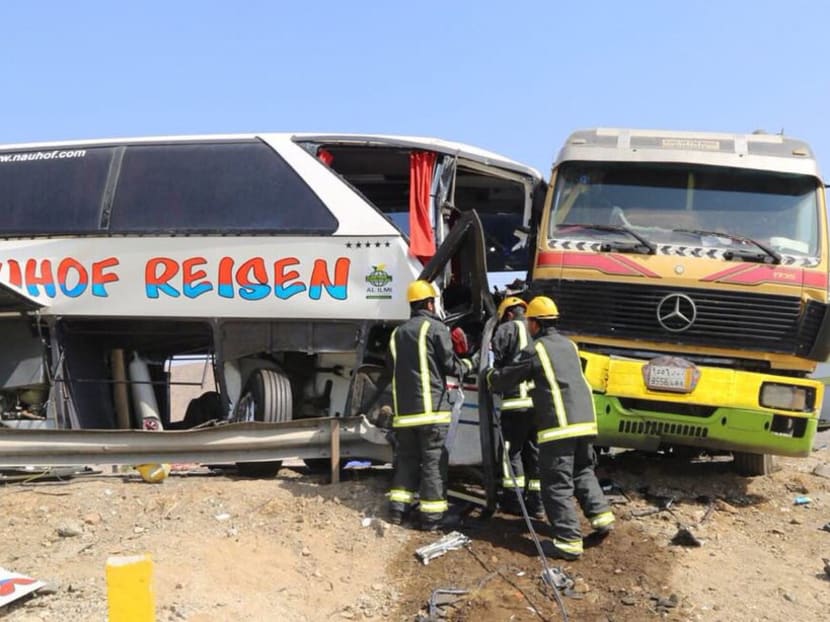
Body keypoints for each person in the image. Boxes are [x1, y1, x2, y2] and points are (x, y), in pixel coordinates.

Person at [487, 295, 614, 560]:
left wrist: (490, 377)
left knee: (556, 484)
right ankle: (602, 518)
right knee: (582, 470)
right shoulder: (569, 345)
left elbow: (509, 376)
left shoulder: (537, 349)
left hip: (560, 425)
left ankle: (567, 542)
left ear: (534, 323)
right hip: (585, 421)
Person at [387, 279, 474, 531]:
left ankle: (396, 510)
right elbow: (450, 365)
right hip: (432, 412)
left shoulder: (397, 334)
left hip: (405, 416)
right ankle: (432, 518)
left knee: (406, 461)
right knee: (434, 464)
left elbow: (392, 369)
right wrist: (470, 363)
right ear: (429, 303)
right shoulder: (436, 329)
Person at [491, 296, 543, 518]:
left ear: (509, 314)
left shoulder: (507, 329)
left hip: (515, 404)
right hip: (538, 405)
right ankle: (537, 504)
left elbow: (495, 362)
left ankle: (513, 500)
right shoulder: (538, 331)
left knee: (511, 452)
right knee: (534, 453)